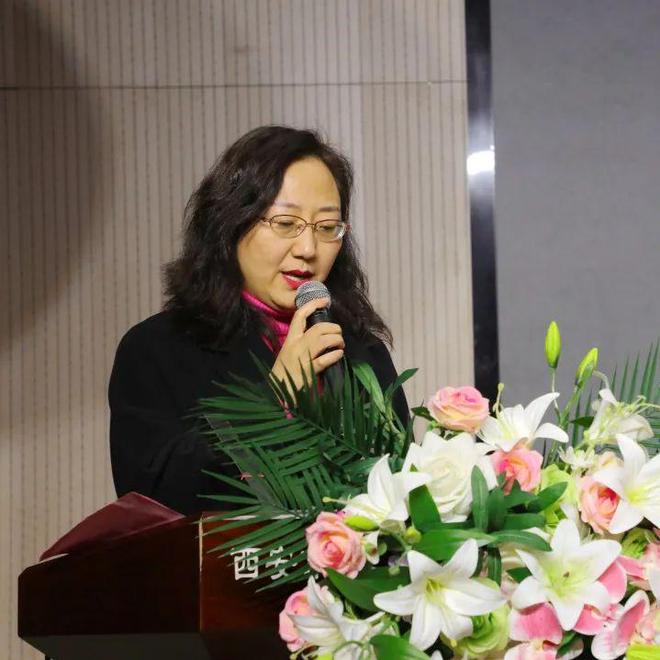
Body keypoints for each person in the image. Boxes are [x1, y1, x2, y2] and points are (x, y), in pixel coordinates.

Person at [109, 126, 409, 515]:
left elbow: (398, 489)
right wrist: (274, 398)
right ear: (231, 224)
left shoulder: (362, 351)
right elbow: (150, 498)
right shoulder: (157, 349)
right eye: (285, 224)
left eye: (326, 228)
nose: (308, 249)